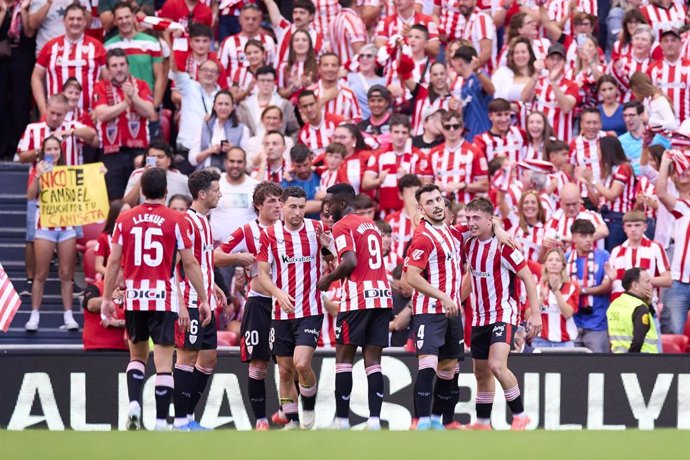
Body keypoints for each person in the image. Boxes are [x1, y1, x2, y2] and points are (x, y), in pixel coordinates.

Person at [100, 167, 211, 431]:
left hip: (135, 297)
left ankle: (134, 404)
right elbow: (190, 262)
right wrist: (203, 298)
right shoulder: (178, 220)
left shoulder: (125, 219)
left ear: (142, 190)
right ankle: (162, 422)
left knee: (137, 358)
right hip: (164, 297)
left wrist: (106, 297)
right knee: (164, 365)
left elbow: (114, 260)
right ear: (166, 191)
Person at [317, 183, 393, 430]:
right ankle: (374, 421)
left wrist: (328, 279)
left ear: (341, 203)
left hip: (357, 298)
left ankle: (341, 420)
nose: (328, 211)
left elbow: (350, 261)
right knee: (373, 362)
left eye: (330, 205)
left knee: (344, 359)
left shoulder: (342, 225)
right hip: (381, 296)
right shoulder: (368, 223)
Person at [461, 197, 540, 431]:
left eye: (476, 218)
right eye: (468, 217)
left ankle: (520, 415)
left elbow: (527, 277)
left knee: (497, 365)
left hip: (503, 313)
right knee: (481, 373)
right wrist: (457, 299)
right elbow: (470, 275)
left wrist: (534, 313)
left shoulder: (505, 246)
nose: (471, 223)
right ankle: (483, 423)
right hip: (479, 316)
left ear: (490, 220)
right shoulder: (469, 244)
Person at [257, 186, 329, 430]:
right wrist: (277, 293)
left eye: (301, 207)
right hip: (281, 311)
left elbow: (333, 261)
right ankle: (293, 420)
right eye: (292, 207)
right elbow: (263, 274)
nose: (297, 212)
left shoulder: (317, 228)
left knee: (301, 364)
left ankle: (308, 408)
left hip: (310, 309)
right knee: (285, 371)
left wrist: (329, 250)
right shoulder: (269, 235)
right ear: (282, 206)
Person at [214, 181, 283, 430]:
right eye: (271, 201)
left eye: (279, 201)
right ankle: (261, 420)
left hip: (285, 302)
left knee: (289, 362)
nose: (277, 206)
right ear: (257, 205)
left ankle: (290, 413)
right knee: (258, 364)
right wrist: (238, 257)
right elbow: (216, 256)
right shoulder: (246, 231)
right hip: (259, 303)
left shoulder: (290, 228)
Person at [404, 184, 464, 431]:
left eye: (438, 200)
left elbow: (483, 225)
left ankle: (439, 421)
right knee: (428, 364)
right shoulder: (423, 237)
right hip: (429, 312)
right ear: (421, 209)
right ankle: (420, 421)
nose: (437, 205)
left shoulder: (451, 233)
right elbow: (412, 276)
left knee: (449, 367)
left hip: (452, 312)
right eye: (429, 202)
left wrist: (499, 230)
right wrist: (443, 296)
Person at [172, 169, 223, 431]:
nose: (220, 195)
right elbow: (175, 266)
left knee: (209, 358)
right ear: (202, 194)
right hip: (190, 302)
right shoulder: (187, 222)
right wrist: (180, 303)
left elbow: (200, 264)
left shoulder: (205, 220)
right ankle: (180, 421)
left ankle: (189, 416)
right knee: (187, 359)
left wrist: (213, 286)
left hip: (204, 301)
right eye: (216, 191)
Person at [24, 137, 80, 332]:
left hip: (67, 227)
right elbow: (30, 196)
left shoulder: (71, 171)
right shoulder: (37, 170)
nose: (53, 152)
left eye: (56, 148)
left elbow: (85, 192)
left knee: (66, 274)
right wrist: (38, 176)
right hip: (45, 226)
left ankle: (69, 315)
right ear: (43, 151)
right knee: (40, 274)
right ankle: (34, 315)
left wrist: (97, 176)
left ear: (61, 151)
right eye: (49, 148)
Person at [92, 48, 155, 200]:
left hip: (138, 151)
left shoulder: (141, 85)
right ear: (107, 69)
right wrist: (125, 103)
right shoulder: (100, 86)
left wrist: (134, 96)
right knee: (114, 199)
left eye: (122, 64)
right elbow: (101, 114)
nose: (119, 69)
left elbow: (149, 111)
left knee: (141, 197)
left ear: (128, 65)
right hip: (111, 152)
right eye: (114, 66)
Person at [31, 3, 104, 116]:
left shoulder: (97, 46)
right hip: (56, 118)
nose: (75, 23)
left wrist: (100, 107)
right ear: (63, 21)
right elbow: (36, 77)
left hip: (89, 116)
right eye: (71, 19)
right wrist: (43, 109)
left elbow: (108, 79)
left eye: (79, 19)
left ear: (85, 22)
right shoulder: (50, 46)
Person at [105, 1, 165, 120]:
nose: (124, 21)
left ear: (133, 17)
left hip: (146, 107)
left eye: (127, 17)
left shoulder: (152, 43)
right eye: (120, 18)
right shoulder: (108, 47)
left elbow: (160, 77)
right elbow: (107, 79)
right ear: (115, 21)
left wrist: (155, 107)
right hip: (119, 109)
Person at [362, 114, 430, 216]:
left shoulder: (418, 156)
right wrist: (379, 181)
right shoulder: (379, 155)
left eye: (404, 132)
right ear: (390, 133)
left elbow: (426, 186)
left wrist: (409, 178)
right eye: (396, 132)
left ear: (409, 134)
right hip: (386, 213)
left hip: (412, 212)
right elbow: (365, 184)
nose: (400, 136)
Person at [577, 136, 636, 252]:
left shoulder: (623, 168)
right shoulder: (608, 171)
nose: (597, 153)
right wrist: (588, 183)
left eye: (599, 149)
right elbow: (596, 201)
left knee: (612, 253)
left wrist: (593, 180)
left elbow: (613, 195)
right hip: (604, 217)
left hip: (617, 218)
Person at [656, 149, 690, 334]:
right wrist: (664, 163)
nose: (685, 172)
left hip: (679, 281)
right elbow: (660, 193)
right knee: (673, 334)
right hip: (679, 281)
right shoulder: (685, 207)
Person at [566, 219, 612, 353]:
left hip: (597, 323)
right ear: (574, 237)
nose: (588, 240)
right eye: (583, 236)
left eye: (591, 235)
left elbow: (607, 287)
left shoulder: (603, 256)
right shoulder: (566, 258)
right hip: (572, 323)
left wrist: (582, 290)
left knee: (598, 367)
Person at [522, 42, 580, 143]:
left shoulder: (572, 85)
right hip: (538, 139)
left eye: (559, 59)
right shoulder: (538, 81)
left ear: (564, 62)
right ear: (546, 61)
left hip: (560, 140)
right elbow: (524, 98)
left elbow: (566, 108)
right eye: (552, 59)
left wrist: (553, 82)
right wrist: (536, 74)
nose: (555, 62)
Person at [170, 54, 221, 162]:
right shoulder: (188, 86)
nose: (208, 73)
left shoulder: (222, 96)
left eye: (213, 71)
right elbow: (175, 71)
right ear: (199, 72)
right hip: (187, 146)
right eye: (205, 70)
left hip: (211, 151)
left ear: (218, 75)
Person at [429, 110, 488, 204]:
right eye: (447, 127)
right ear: (442, 129)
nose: (451, 130)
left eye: (455, 126)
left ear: (461, 128)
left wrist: (464, 186)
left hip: (466, 208)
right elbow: (425, 183)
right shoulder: (433, 153)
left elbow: (485, 185)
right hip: (440, 209)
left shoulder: (474, 151)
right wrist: (435, 187)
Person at [528, 248, 580, 348]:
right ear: (545, 265)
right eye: (550, 260)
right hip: (541, 340)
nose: (554, 263)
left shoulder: (573, 286)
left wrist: (556, 291)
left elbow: (568, 313)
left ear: (563, 265)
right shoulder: (536, 287)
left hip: (565, 341)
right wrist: (541, 300)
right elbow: (528, 315)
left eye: (558, 260)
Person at [209, 146, 259, 246]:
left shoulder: (256, 186)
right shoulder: (214, 183)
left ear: (245, 163)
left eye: (239, 162)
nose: (235, 165)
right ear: (225, 162)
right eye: (232, 161)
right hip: (217, 250)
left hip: (248, 252)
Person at [188, 90, 250, 170]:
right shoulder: (204, 126)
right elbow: (192, 159)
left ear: (232, 107)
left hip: (230, 174)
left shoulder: (242, 129)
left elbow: (247, 160)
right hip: (205, 172)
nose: (223, 107)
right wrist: (210, 151)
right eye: (220, 104)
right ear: (214, 106)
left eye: (227, 104)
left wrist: (233, 149)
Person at [543, 183, 609, 254]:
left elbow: (604, 231)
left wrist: (574, 239)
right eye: (567, 204)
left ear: (580, 201)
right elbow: (556, 236)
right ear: (561, 203)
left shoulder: (591, 216)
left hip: (589, 262)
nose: (571, 208)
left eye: (574, 204)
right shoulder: (553, 220)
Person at [236, 66, 299, 139]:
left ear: (274, 82)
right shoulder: (246, 105)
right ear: (256, 82)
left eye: (269, 80)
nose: (265, 84)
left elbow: (294, 130)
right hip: (252, 147)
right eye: (262, 80)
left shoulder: (284, 104)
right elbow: (240, 131)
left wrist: (287, 145)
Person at [607, 268, 659, 353]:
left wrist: (649, 306)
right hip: (644, 361)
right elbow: (638, 341)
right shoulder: (639, 307)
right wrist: (630, 361)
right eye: (647, 282)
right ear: (635, 285)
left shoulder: (614, 304)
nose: (651, 285)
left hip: (617, 359)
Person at [124, 141, 191, 206]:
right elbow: (126, 204)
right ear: (146, 158)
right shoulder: (137, 175)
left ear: (169, 160)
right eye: (152, 157)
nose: (156, 160)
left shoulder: (181, 179)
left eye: (160, 157)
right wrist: (143, 177)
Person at [647, 28, 690, 127]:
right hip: (661, 128)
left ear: (680, 44)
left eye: (673, 40)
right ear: (661, 45)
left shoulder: (688, 68)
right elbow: (646, 98)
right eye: (666, 41)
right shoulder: (652, 69)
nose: (670, 44)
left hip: (686, 127)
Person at [264, 0, 326, 68]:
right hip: (281, 76)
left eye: (302, 13)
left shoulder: (318, 38)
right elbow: (269, 2)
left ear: (311, 16)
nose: (297, 16)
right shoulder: (285, 29)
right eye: (295, 12)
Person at [218, 3, 276, 74]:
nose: (250, 22)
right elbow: (221, 70)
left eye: (254, 19)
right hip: (235, 84)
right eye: (247, 18)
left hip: (263, 83)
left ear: (260, 20)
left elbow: (274, 66)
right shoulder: (229, 42)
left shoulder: (269, 41)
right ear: (239, 19)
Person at [453, 46, 493, 141]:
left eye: (454, 62)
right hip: (470, 137)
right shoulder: (465, 85)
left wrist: (478, 71)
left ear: (459, 62)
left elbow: (491, 91)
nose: (453, 66)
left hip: (482, 136)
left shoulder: (479, 76)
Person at [310, 52, 362, 122]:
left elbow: (358, 119)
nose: (330, 69)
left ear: (339, 69)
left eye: (334, 65)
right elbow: (305, 119)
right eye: (326, 65)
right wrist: (324, 99)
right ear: (319, 69)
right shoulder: (310, 92)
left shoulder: (349, 93)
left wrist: (343, 123)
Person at [474, 98, 528, 164]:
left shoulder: (520, 133)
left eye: (506, 114)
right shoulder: (481, 141)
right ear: (490, 116)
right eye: (499, 115)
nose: (503, 119)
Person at [81, 279, 127, 351]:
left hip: (126, 348)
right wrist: (110, 297)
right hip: (96, 347)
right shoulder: (96, 287)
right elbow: (91, 305)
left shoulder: (133, 290)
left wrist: (118, 323)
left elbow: (141, 321)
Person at [491, 37, 538, 104]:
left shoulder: (541, 74)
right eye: (516, 53)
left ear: (530, 54)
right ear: (512, 56)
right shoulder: (502, 73)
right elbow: (495, 98)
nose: (520, 55)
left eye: (523, 52)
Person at [297, 90, 343, 157]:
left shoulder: (337, 121)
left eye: (311, 104)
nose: (309, 109)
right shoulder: (303, 134)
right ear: (300, 108)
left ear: (318, 103)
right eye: (305, 106)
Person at [281, 144, 322, 217]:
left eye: (305, 165)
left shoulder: (321, 175)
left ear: (311, 159)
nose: (303, 169)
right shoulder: (286, 183)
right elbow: (292, 208)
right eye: (298, 166)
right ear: (292, 163)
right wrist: (325, 203)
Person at [348, 46, 387, 121]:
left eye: (369, 56)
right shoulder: (349, 77)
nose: (364, 59)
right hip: (356, 123)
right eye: (361, 56)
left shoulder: (385, 81)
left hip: (378, 123)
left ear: (376, 60)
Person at [277, 29, 318, 100]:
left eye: (304, 40)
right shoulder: (283, 66)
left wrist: (311, 86)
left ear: (310, 44)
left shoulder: (318, 64)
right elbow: (281, 93)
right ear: (292, 44)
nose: (300, 43)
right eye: (296, 40)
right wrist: (293, 88)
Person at [94, 200, 130, 278]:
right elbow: (98, 266)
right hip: (111, 279)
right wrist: (114, 274)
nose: (128, 215)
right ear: (115, 215)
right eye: (124, 212)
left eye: (130, 212)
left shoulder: (135, 235)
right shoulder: (104, 237)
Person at [618, 101, 646, 175]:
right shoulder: (620, 141)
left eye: (631, 115)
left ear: (642, 115)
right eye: (625, 116)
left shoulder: (655, 137)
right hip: (632, 180)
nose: (627, 119)